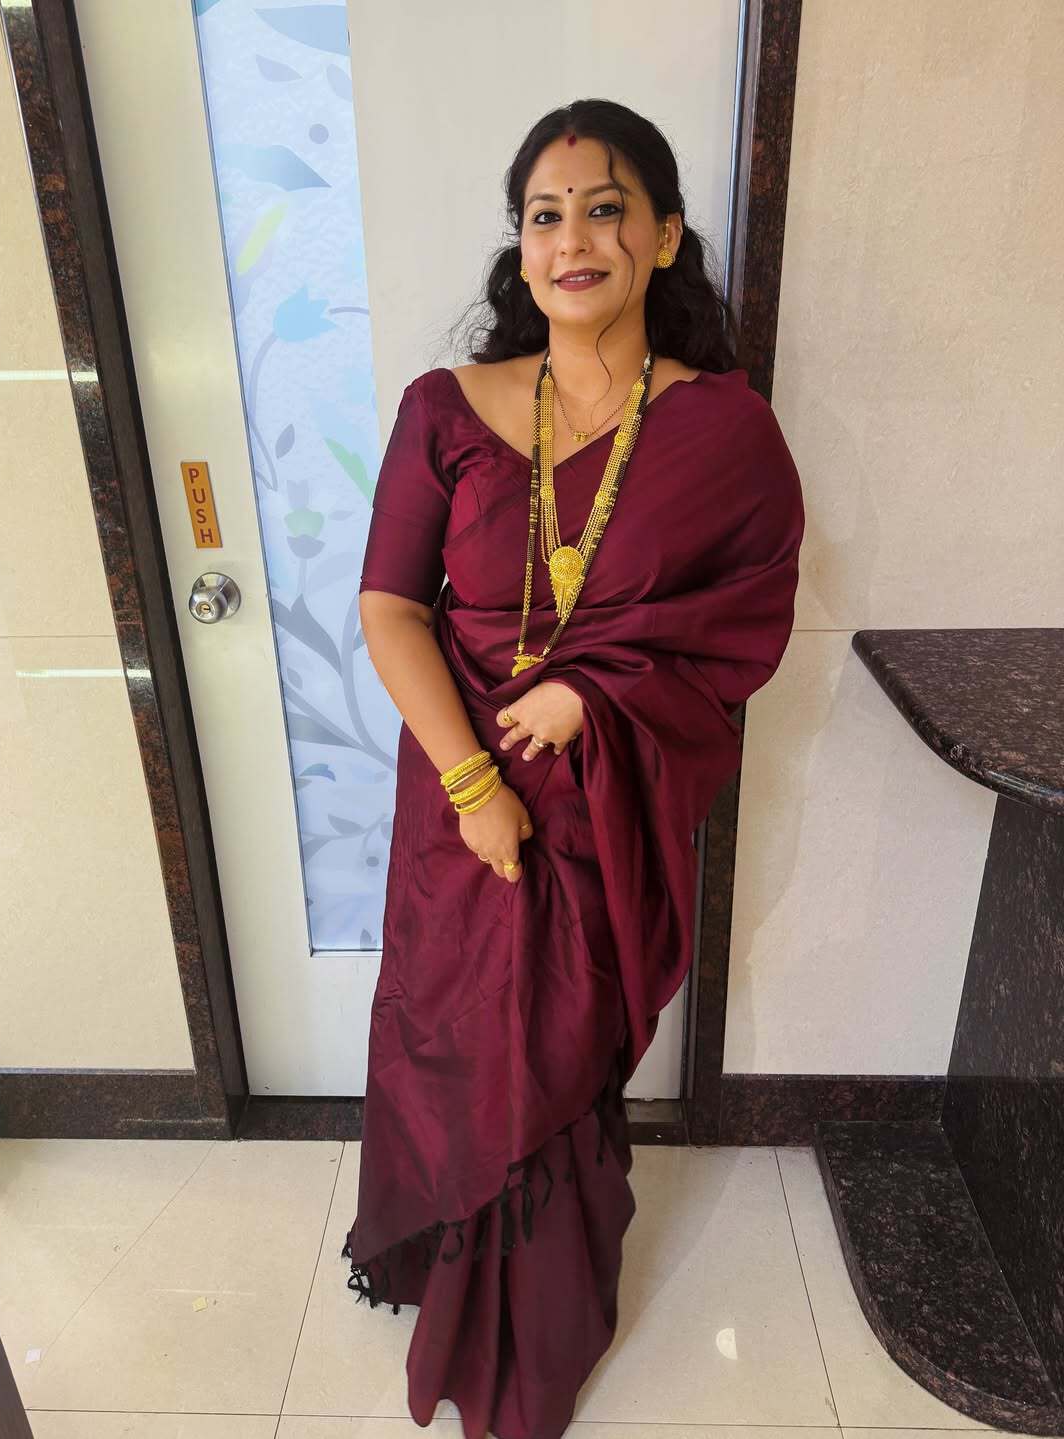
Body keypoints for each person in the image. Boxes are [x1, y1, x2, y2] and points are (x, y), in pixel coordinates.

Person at [342, 98, 805, 1439]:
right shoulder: (448, 408)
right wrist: (476, 789)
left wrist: (594, 691)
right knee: (455, 1043)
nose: (573, 240)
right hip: (462, 807)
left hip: (608, 818)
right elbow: (390, 608)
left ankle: (539, 1329)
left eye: (607, 210)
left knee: (558, 1057)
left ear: (664, 237)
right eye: (545, 216)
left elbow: (741, 627)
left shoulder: (726, 433)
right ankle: (454, 1273)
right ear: (522, 247)